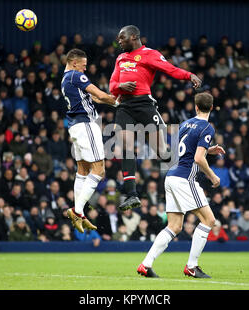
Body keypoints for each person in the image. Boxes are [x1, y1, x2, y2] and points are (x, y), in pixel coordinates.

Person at [110, 25, 202, 211]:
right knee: (126, 148)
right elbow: (112, 85)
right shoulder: (120, 58)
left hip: (144, 104)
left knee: (160, 151)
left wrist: (189, 75)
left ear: (134, 36)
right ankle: (132, 195)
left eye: (122, 37)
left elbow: (170, 69)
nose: (119, 41)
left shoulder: (149, 54)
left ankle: (186, 171)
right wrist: (121, 86)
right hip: (124, 106)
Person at [137, 92, 224, 279]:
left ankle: (146, 264)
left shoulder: (184, 124)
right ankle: (192, 266)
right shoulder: (207, 128)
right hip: (185, 179)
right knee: (209, 220)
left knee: (175, 226)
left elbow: (183, 152)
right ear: (211, 107)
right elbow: (197, 158)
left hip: (170, 176)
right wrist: (213, 176)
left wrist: (209, 150)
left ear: (196, 107)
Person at [60, 48, 117, 233]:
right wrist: (119, 103)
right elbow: (99, 94)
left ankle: (80, 213)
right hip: (86, 125)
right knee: (99, 171)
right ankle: (77, 211)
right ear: (74, 63)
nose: (85, 69)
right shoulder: (76, 76)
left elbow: (94, 98)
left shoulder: (65, 79)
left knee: (83, 170)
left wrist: (107, 100)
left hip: (74, 127)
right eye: (83, 66)